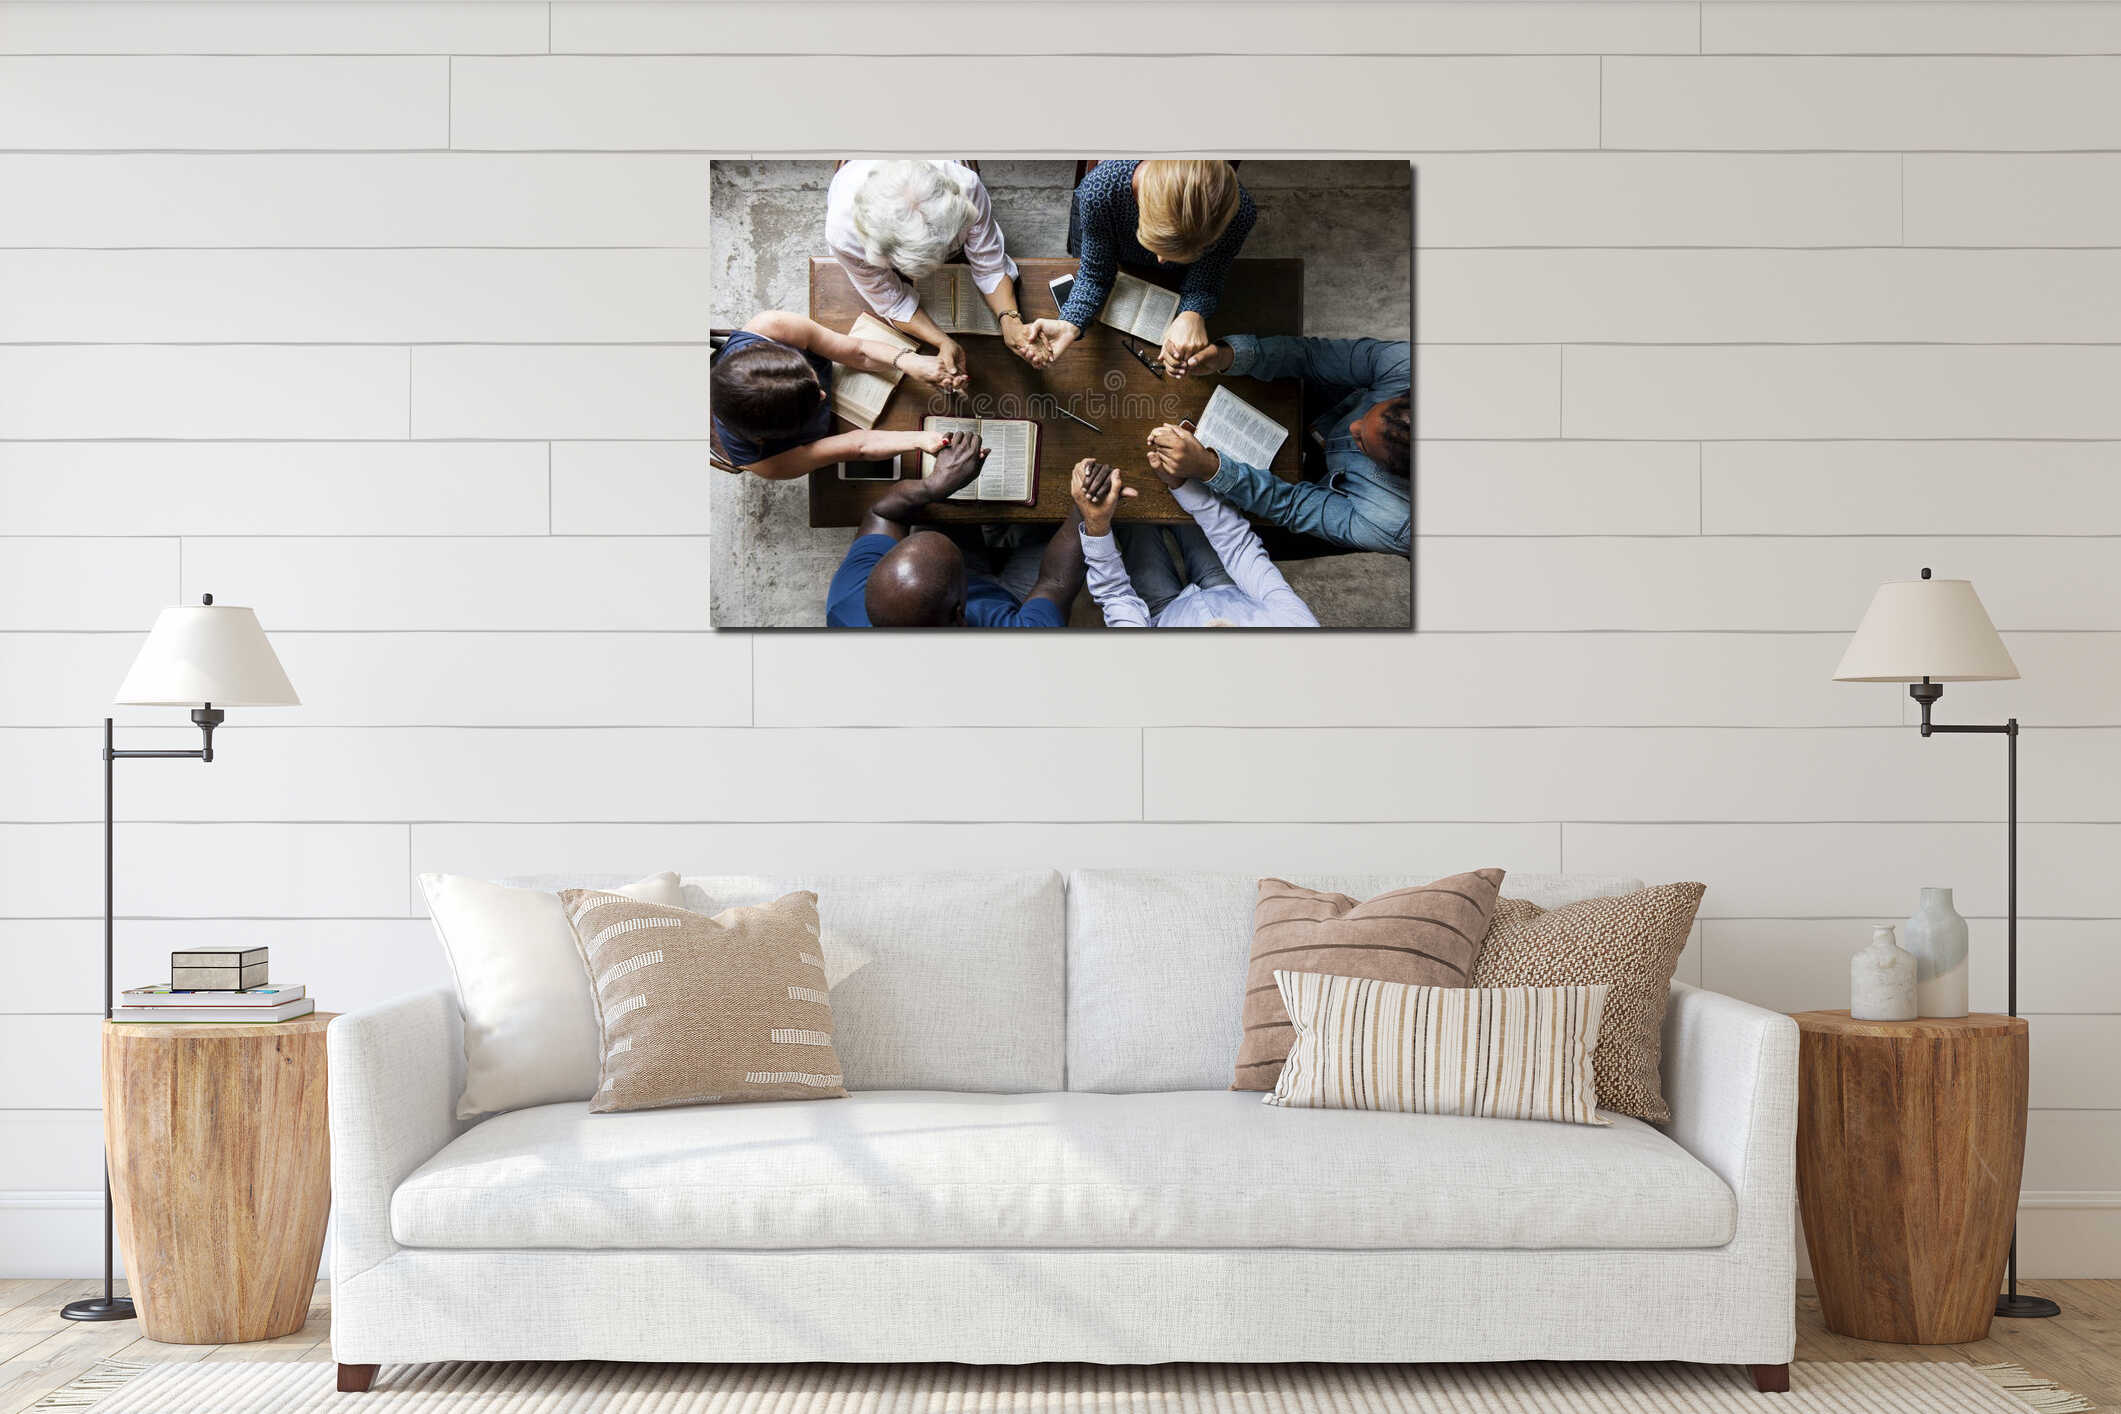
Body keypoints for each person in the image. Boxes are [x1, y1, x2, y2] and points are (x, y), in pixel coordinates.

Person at [1146, 335, 1410, 557]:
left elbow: (1291, 505)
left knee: (1244, 538)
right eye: (1367, 414)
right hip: (1330, 406)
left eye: (1363, 443)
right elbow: (1311, 356)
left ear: (1392, 471)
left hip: (1333, 498)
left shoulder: (1394, 522)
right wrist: (1227, 356)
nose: (1353, 427)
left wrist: (1209, 468)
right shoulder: (1408, 366)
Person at [826, 431, 1084, 628]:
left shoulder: (848, 600)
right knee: (1055, 525)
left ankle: (994, 533)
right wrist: (1085, 508)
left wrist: (933, 487)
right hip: (1015, 600)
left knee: (941, 510)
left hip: (948, 597)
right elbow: (1056, 582)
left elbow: (881, 513)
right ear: (960, 614)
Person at [1021, 160, 1256, 375]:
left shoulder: (1240, 214)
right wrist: (1069, 323)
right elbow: (1095, 273)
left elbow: (1209, 274)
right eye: (1157, 245)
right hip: (1114, 248)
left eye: (1185, 252)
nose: (1161, 261)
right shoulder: (1100, 191)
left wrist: (1192, 313)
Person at [825, 160, 1043, 372]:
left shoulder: (965, 184)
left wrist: (1010, 318)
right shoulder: (843, 235)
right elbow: (893, 302)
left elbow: (990, 266)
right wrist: (942, 341)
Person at [710, 310, 959, 481]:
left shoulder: (771, 327)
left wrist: (908, 361)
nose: (822, 394)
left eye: (811, 378)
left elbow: (858, 350)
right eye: (812, 403)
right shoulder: (768, 463)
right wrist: (920, 439)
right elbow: (856, 447)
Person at [1070, 460, 1317, 629]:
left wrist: (1096, 524)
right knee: (1183, 485)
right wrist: (1181, 483)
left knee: (1130, 508)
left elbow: (1116, 595)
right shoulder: (1298, 630)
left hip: (1161, 612)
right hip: (1229, 587)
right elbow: (1239, 548)